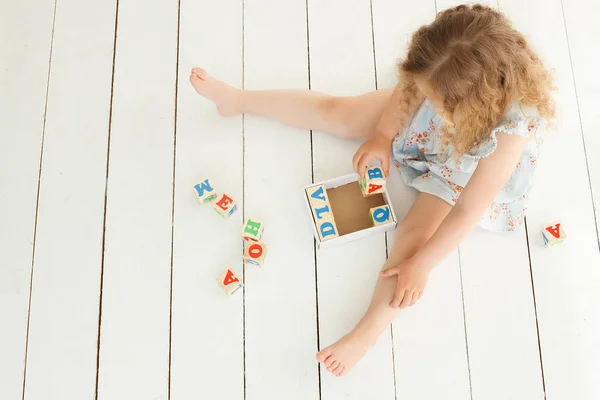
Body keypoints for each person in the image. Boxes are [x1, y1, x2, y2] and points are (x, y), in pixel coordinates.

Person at [189, 4, 555, 377]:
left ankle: (365, 334)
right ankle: (237, 99)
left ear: (469, 101)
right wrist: (382, 136)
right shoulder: (439, 68)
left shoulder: (513, 128)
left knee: (414, 236)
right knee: (338, 112)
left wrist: (422, 264)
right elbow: (409, 91)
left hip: (467, 170)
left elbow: (467, 210)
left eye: (435, 96)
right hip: (436, 126)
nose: (423, 93)